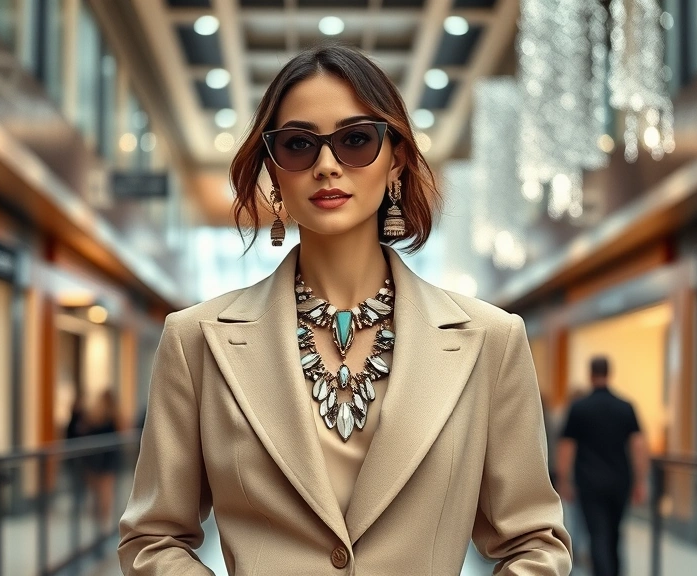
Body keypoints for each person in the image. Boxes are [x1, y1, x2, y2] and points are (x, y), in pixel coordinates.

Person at [119, 44, 571, 575]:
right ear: (273, 170)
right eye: (298, 145)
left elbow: (534, 542)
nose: (327, 166)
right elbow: (153, 537)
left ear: (395, 158)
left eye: (356, 140)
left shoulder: (491, 340)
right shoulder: (195, 340)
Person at [557, 357, 649, 576]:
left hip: (589, 482)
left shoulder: (579, 408)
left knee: (597, 535)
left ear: (590, 374)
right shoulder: (625, 407)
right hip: (619, 481)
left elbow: (566, 448)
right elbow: (639, 446)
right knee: (615, 534)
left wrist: (563, 480)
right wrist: (640, 481)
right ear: (609, 373)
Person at [86, 389, 122, 533]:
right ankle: (103, 521)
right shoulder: (113, 416)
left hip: (98, 458)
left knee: (99, 491)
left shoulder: (98, 415)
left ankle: (101, 521)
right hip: (107, 457)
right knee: (105, 490)